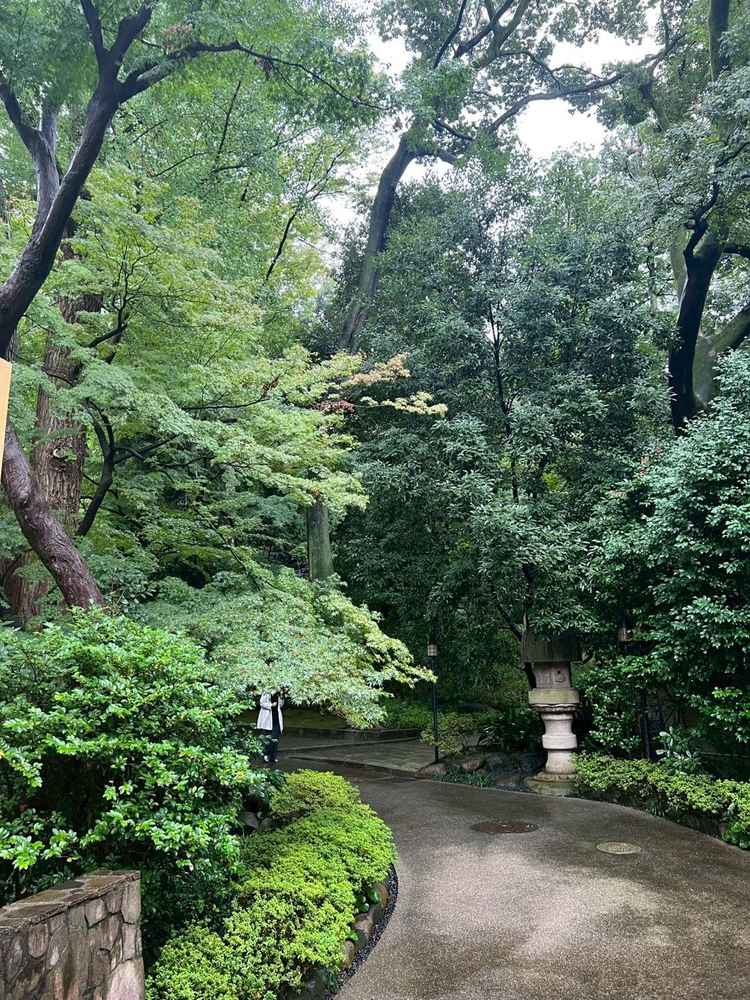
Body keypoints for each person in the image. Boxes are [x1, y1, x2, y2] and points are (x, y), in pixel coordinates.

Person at [257, 690, 284, 764]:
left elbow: (281, 705)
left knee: (276, 738)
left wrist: (281, 696)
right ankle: (266, 754)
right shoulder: (266, 692)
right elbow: (262, 703)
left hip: (276, 718)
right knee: (269, 737)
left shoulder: (278, 693)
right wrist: (271, 705)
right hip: (268, 718)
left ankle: (273, 757)